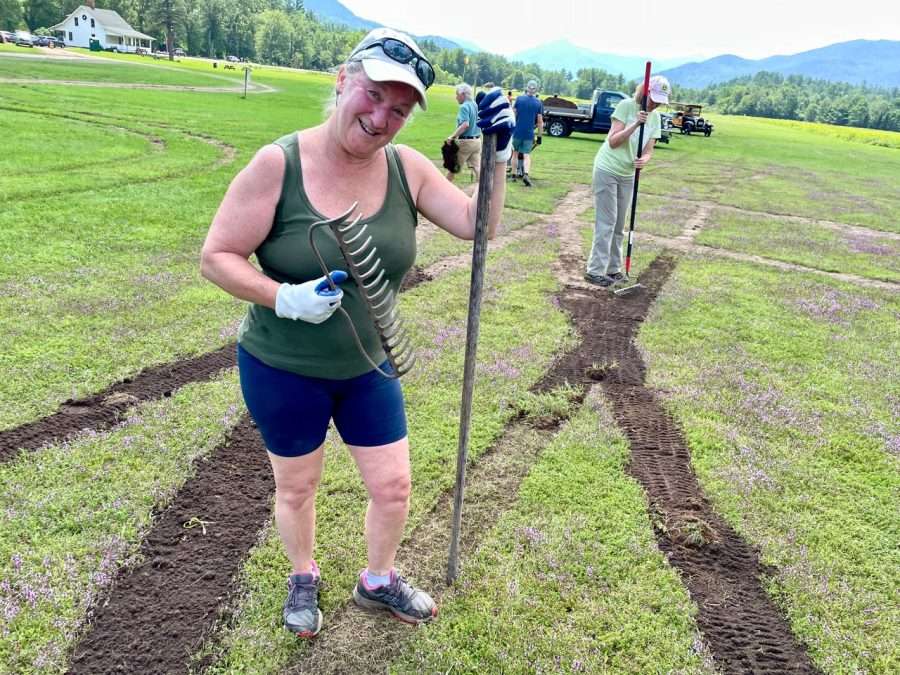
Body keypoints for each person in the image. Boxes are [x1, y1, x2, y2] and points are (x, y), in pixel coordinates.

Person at [200, 27, 514, 638]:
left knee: (394, 486)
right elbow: (217, 256)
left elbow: (479, 227)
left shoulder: (407, 169)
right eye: (373, 95)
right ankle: (302, 574)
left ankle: (378, 580)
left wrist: (498, 154)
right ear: (342, 80)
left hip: (370, 366)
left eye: (400, 109)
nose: (382, 117)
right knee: (298, 486)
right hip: (283, 367)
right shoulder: (278, 165)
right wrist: (282, 297)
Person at [584, 75, 670, 287]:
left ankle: (614, 269)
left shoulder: (656, 118)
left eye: (660, 100)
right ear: (645, 92)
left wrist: (645, 160)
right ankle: (595, 270)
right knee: (607, 221)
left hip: (628, 174)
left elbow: (649, 150)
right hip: (607, 169)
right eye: (653, 98)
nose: (655, 103)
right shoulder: (625, 106)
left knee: (619, 224)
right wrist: (634, 124)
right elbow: (613, 142)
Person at [446, 83, 481, 182]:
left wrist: (452, 137)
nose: (456, 97)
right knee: (477, 168)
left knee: (453, 167)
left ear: (463, 94)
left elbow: (465, 125)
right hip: (477, 141)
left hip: (466, 143)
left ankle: (443, 188)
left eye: (457, 94)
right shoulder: (474, 104)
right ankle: (483, 189)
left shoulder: (464, 107)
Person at [511, 79, 543, 187]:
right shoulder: (538, 103)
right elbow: (539, 122)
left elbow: (513, 116)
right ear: (535, 89)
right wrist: (539, 136)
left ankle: (514, 175)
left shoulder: (519, 99)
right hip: (529, 133)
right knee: (526, 155)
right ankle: (526, 174)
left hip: (517, 132)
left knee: (514, 153)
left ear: (527, 87)